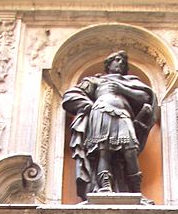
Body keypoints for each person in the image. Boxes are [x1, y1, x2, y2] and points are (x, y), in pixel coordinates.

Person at [62, 50, 157, 200]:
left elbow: (145, 97)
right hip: (101, 113)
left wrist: (122, 89)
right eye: (117, 60)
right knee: (103, 152)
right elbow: (70, 96)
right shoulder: (96, 81)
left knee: (130, 151)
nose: (120, 63)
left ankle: (135, 192)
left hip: (123, 115)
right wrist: (89, 105)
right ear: (108, 64)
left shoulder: (131, 81)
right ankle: (105, 187)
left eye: (123, 62)